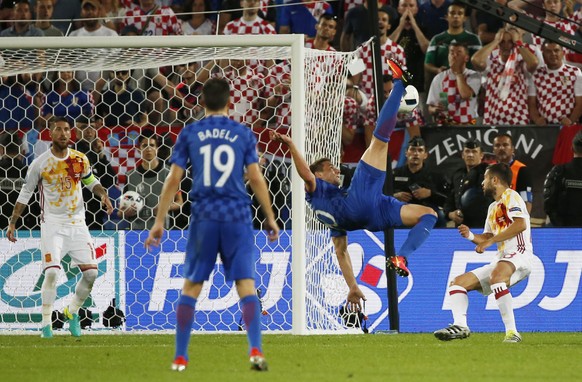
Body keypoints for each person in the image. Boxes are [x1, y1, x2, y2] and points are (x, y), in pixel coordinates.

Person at [270, 61, 438, 308]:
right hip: (359, 204)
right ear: (318, 174)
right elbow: (305, 173)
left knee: (429, 214)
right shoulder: (315, 188)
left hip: (368, 217)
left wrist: (352, 286)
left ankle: (401, 257)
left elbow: (341, 252)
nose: (336, 169)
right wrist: (290, 144)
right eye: (330, 167)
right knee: (379, 141)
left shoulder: (326, 210)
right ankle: (400, 82)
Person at [144, 78, 279, 372]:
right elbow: (256, 178)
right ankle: (255, 350)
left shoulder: (190, 132)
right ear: (230, 102)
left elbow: (173, 179)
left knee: (192, 285)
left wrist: (159, 220)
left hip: (204, 215)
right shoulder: (242, 133)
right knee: (245, 283)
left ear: (202, 101)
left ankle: (180, 357)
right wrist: (269, 216)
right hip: (236, 215)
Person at [6, 116, 114, 338]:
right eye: (58, 130)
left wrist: (103, 194)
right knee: (53, 272)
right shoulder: (40, 163)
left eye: (67, 129)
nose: (64, 133)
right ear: (50, 134)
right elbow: (25, 193)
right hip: (52, 224)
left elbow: (90, 181)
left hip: (77, 223)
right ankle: (46, 324)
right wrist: (13, 221)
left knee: (92, 273)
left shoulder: (80, 159)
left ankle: (72, 311)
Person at [434, 163, 533, 343]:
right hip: (502, 258)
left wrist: (490, 241)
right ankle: (461, 325)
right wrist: (471, 235)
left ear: (495, 180)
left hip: (520, 253)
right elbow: (488, 235)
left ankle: (512, 333)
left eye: (485, 179)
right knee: (457, 283)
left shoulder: (512, 197)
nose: (482, 183)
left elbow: (521, 225)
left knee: (497, 276)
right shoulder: (493, 208)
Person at [471, 27, 541, 126]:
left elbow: (534, 63)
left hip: (518, 122)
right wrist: (496, 41)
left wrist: (518, 42)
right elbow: (475, 60)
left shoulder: (521, 65)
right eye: (502, 42)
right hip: (492, 121)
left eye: (510, 42)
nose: (506, 46)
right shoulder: (491, 65)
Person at [118, 134, 183, 229]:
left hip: (163, 231)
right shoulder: (131, 176)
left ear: (157, 148)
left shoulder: (169, 173)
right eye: (144, 145)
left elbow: (179, 202)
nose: (148, 149)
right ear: (139, 149)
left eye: (152, 145)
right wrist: (125, 212)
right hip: (136, 233)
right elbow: (120, 211)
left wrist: (165, 207)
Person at [393, 136, 449, 227]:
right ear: (406, 153)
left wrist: (430, 194)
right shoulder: (394, 174)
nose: (416, 153)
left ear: (425, 155)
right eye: (412, 150)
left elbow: (447, 200)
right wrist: (395, 196)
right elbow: (381, 195)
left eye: (420, 150)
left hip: (426, 210)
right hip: (402, 210)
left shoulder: (436, 176)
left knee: (440, 216)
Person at [74, 116, 117, 229]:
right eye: (84, 127)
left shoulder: (96, 155)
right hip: (76, 215)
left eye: (92, 127)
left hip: (96, 215)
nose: (89, 131)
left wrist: (101, 155)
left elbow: (111, 180)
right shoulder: (72, 155)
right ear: (76, 131)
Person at [528, 41, 582, 126]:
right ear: (543, 55)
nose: (553, 54)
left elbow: (580, 103)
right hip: (545, 128)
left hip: (568, 127)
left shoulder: (575, 72)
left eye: (556, 50)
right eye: (548, 51)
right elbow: (532, 104)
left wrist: (570, 120)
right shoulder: (536, 74)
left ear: (562, 53)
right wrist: (537, 119)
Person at [427, 42, 481, 125]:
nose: (454, 55)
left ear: (466, 58)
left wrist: (458, 73)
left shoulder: (474, 75)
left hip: (469, 124)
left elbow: (466, 95)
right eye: (451, 53)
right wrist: (435, 109)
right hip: (446, 124)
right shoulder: (439, 78)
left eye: (459, 53)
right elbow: (430, 107)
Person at [443, 138, 491, 228]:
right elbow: (449, 199)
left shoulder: (488, 173)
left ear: (481, 155)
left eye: (474, 152)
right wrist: (450, 214)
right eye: (467, 151)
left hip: (483, 225)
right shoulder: (457, 175)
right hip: (461, 226)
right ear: (462, 154)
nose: (470, 155)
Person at [544, 131, 582, 226]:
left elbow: (548, 203)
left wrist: (562, 228)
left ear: (572, 149)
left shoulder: (558, 171)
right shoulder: (558, 171)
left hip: (565, 232)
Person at [492, 133, 533, 213]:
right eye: (497, 145)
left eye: (505, 145)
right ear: (493, 150)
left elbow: (526, 202)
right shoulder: (489, 171)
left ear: (512, 149)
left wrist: (521, 222)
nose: (501, 148)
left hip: (513, 218)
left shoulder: (522, 170)